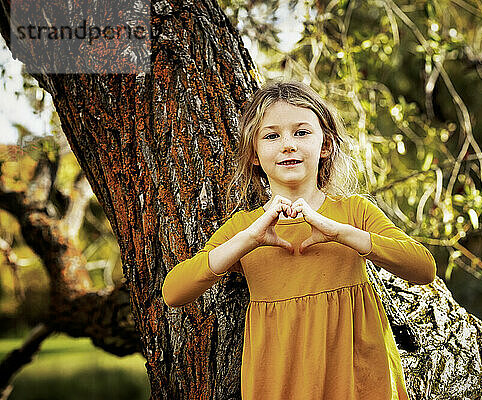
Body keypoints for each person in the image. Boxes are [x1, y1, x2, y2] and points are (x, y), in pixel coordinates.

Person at [162, 80, 436, 400]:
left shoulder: (353, 211)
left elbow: (423, 268)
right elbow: (173, 292)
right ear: (254, 154)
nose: (288, 144)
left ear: (326, 146)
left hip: (357, 380)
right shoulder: (245, 228)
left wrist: (341, 233)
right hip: (280, 381)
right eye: (272, 135)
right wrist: (248, 240)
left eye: (301, 132)